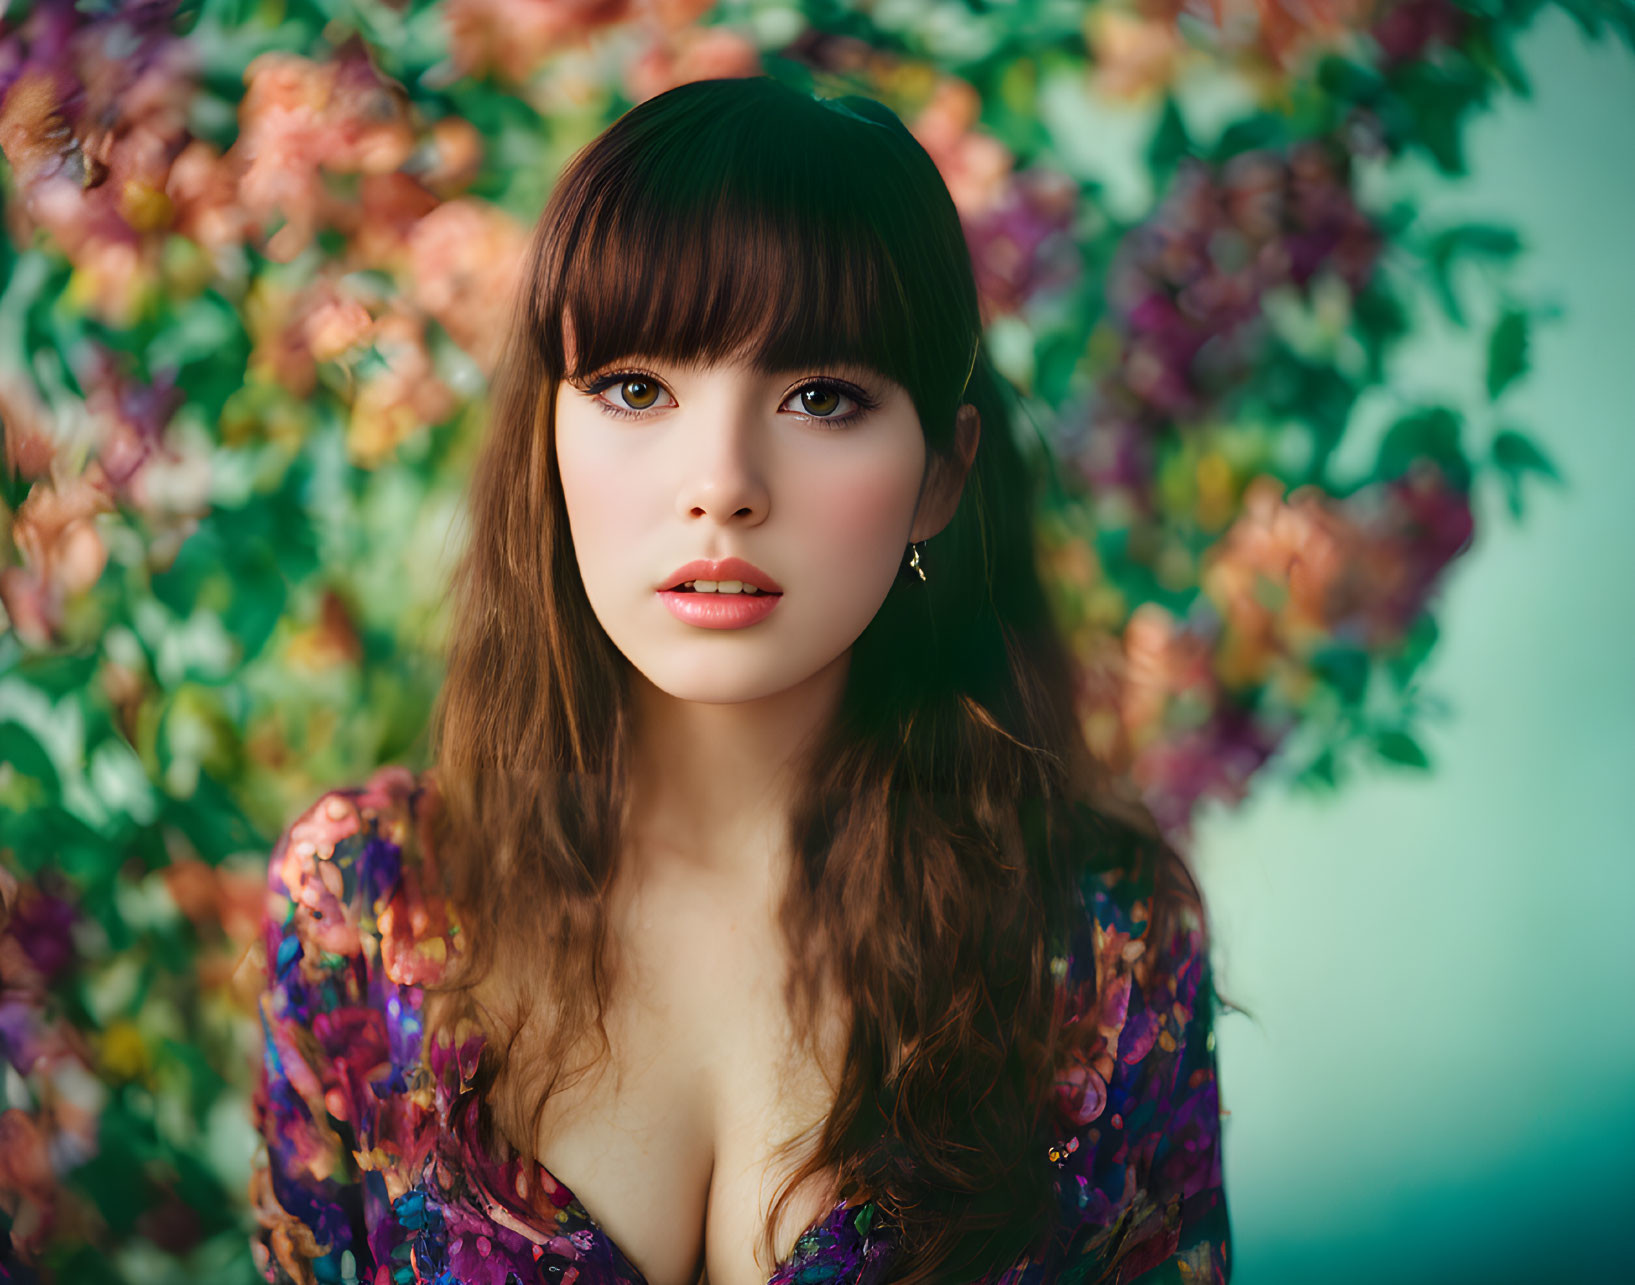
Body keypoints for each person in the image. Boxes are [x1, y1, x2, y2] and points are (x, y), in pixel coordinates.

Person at [247, 75, 1230, 1285]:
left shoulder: (1101, 942)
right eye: (635, 388)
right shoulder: (363, 902)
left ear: (939, 473)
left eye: (822, 397)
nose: (722, 482)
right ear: (547, 438)